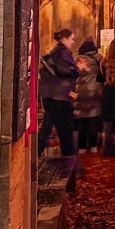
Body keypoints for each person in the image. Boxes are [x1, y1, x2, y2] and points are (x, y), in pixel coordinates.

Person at [38, 29, 80, 157]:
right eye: (71, 39)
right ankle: (69, 159)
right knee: (65, 129)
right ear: (64, 39)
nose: (73, 42)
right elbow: (65, 70)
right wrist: (78, 68)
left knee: (47, 126)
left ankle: (35, 153)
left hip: (50, 95)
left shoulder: (54, 52)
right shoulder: (62, 52)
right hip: (59, 97)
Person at [73, 39, 104, 153]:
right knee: (93, 121)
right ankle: (93, 146)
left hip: (80, 94)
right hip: (93, 93)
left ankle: (81, 147)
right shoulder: (98, 58)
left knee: (82, 122)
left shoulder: (76, 60)